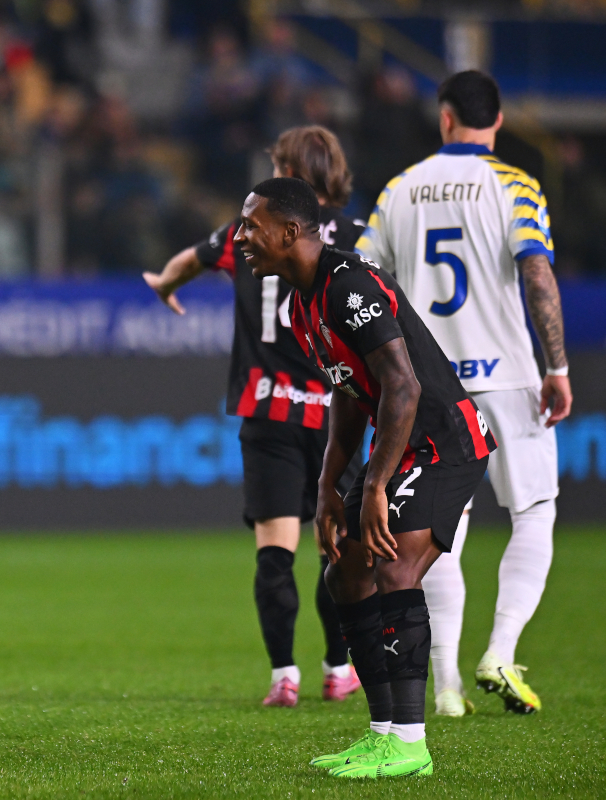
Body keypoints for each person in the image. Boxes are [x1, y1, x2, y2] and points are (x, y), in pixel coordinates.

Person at [238, 177, 495, 779]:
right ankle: (383, 734)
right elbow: (352, 395)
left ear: (290, 232)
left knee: (392, 567)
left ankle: (409, 744)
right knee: (346, 570)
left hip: (444, 443)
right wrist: (330, 487)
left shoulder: (349, 285)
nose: (241, 237)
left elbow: (402, 385)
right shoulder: (304, 298)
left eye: (251, 226)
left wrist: (373, 486)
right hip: (403, 444)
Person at [356, 70, 571, 717]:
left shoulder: (399, 189)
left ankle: (445, 682)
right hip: (507, 375)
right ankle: (499, 651)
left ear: (444, 119)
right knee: (533, 511)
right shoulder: (515, 185)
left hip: (429, 388)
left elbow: (364, 284)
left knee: (437, 527)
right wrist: (556, 365)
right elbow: (536, 275)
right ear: (497, 121)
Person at [144, 126, 363, 707]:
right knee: (335, 546)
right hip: (336, 414)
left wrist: (164, 283)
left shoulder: (244, 233)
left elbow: (187, 261)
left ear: (287, 172)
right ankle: (338, 669)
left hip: (267, 409)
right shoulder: (362, 237)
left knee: (275, 550)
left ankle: (282, 676)